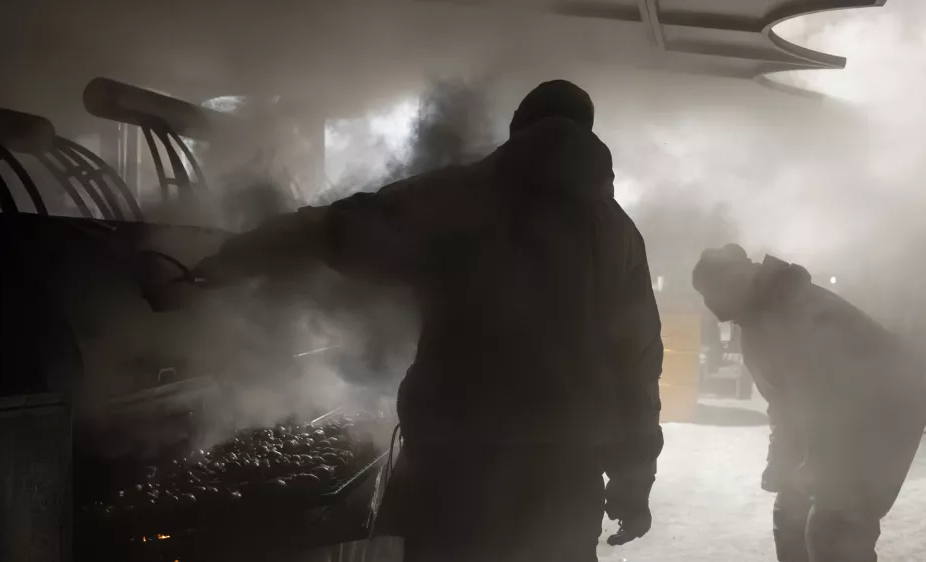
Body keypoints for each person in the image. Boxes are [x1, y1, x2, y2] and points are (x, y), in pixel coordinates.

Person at [195, 80, 664, 562]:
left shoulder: (458, 195)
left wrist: (221, 262)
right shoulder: (621, 236)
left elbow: (333, 231)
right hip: (565, 476)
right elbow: (638, 364)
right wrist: (633, 483)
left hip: (455, 470)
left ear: (517, 130)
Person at [692, 245, 926, 562]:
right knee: (791, 514)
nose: (714, 308)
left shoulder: (799, 310)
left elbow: (827, 395)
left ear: (738, 279)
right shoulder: (757, 320)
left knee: (835, 528)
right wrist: (782, 458)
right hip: (838, 419)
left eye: (715, 294)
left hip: (885, 414)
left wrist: (815, 462)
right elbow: (783, 402)